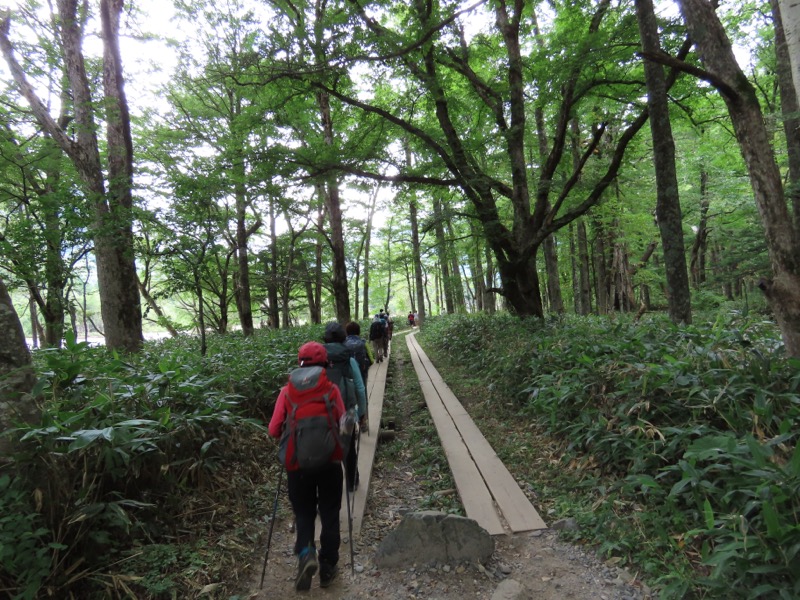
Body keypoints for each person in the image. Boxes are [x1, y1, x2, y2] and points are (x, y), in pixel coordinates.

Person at [268, 341, 345, 591]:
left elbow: (273, 429)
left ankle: (305, 554)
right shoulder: (331, 390)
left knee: (304, 513)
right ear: (325, 363)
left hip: (297, 465)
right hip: (330, 463)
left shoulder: (286, 392)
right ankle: (328, 567)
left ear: (299, 362)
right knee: (330, 513)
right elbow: (342, 423)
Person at [323, 322, 367, 492]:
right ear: (343, 338)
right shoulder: (348, 359)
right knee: (347, 447)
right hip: (346, 413)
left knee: (327, 449)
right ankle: (352, 481)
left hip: (322, 413)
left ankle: (330, 487)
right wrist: (361, 413)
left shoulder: (318, 360)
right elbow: (360, 388)